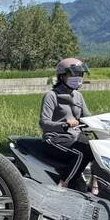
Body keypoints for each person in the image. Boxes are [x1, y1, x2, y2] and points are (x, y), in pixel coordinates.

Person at [40, 58, 97, 193]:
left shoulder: (78, 96)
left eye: (80, 75)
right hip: (54, 138)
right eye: (73, 75)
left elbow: (87, 117)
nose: (78, 78)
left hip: (73, 137)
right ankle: (64, 185)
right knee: (81, 154)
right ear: (62, 76)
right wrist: (64, 125)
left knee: (97, 150)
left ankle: (94, 183)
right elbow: (44, 122)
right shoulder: (51, 96)